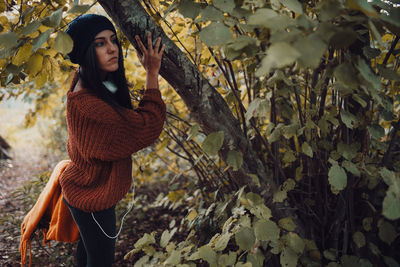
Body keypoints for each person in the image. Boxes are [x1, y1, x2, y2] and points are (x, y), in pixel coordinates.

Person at [60, 14, 166, 267]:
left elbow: (118, 102)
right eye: (99, 43)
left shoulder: (86, 81)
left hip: (84, 188)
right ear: (85, 51)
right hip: (92, 197)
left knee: (88, 256)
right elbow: (147, 125)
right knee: (100, 261)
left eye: (113, 40)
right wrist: (152, 72)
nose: (111, 49)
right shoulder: (91, 107)